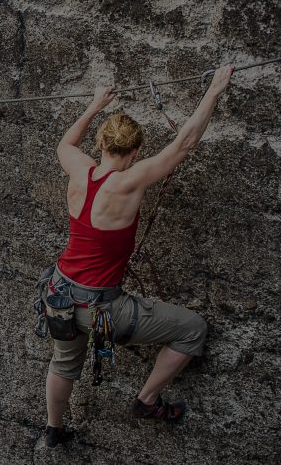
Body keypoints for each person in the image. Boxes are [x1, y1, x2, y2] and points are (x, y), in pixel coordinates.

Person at [43, 66, 234, 447]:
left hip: (60, 293)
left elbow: (64, 143)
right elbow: (184, 144)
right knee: (192, 328)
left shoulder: (78, 168)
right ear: (134, 152)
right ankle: (147, 400)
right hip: (103, 308)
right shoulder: (130, 181)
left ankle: (53, 430)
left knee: (63, 362)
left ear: (100, 143)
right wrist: (214, 89)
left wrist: (95, 104)